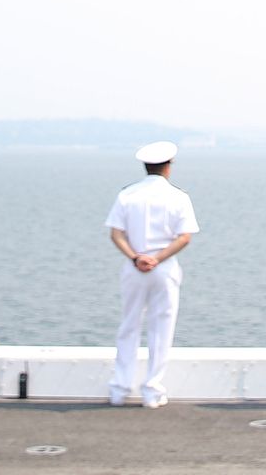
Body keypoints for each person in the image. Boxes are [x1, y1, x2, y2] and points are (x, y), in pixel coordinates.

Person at [106, 141, 199, 408]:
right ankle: (152, 390)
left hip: (133, 267)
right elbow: (184, 238)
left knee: (129, 325)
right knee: (161, 329)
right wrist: (156, 258)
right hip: (164, 267)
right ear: (168, 167)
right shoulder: (179, 197)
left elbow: (116, 233)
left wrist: (136, 257)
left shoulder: (127, 195)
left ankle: (120, 387)